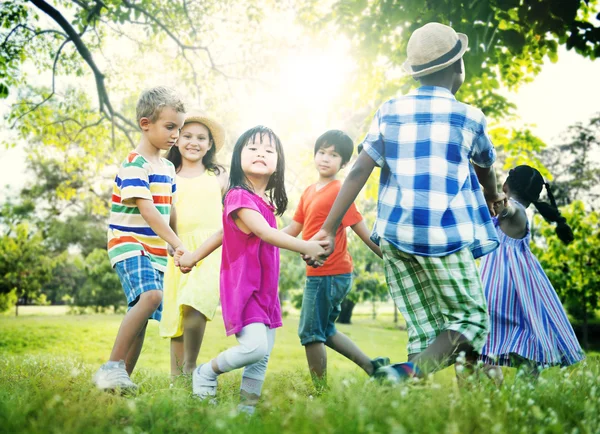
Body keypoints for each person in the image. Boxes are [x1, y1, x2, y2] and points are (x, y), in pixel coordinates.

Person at [308, 22, 504, 382]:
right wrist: (493, 196)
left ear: (417, 73)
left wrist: (328, 228)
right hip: (444, 237)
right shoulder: (469, 117)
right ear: (457, 68)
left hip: (397, 237)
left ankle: (411, 404)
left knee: (424, 327)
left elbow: (357, 172)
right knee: (471, 320)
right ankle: (405, 375)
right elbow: (485, 165)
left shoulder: (390, 110)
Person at [176, 126, 327, 414]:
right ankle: (205, 373)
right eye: (253, 148)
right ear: (237, 158)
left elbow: (230, 233)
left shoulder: (263, 203)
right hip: (244, 287)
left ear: (277, 163)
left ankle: (247, 411)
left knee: (262, 354)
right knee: (254, 348)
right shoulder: (237, 195)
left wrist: (194, 255)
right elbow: (265, 233)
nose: (261, 153)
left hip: (266, 290)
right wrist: (305, 247)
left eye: (269, 150)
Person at [93, 86, 188, 391]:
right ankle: (111, 367)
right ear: (146, 124)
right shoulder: (136, 165)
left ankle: (120, 380)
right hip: (129, 242)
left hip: (157, 249)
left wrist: (177, 244)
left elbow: (168, 209)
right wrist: (176, 242)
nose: (176, 135)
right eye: (170, 127)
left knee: (143, 311)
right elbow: (148, 211)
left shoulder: (169, 167)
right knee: (151, 297)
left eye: (180, 128)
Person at [284, 130, 388, 387]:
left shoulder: (341, 191)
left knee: (310, 333)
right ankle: (372, 367)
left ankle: (319, 394)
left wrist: (391, 259)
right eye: (322, 152)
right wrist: (260, 237)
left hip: (330, 273)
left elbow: (363, 232)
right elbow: (292, 231)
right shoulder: (309, 192)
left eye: (334, 155)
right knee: (326, 331)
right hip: (319, 274)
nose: (325, 158)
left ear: (343, 163)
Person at [477, 165, 584, 383]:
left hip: (498, 286)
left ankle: (503, 394)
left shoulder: (515, 211)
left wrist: (499, 200)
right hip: (518, 289)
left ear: (505, 186)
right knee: (521, 348)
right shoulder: (518, 213)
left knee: (488, 346)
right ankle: (521, 394)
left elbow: (508, 209)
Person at [160, 111, 228, 379]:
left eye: (201, 138)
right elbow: (163, 211)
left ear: (210, 144)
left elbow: (232, 211)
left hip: (211, 248)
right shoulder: (167, 173)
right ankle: (178, 378)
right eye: (187, 136)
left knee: (195, 302)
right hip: (176, 247)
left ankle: (190, 365)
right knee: (179, 312)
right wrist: (169, 239)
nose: (193, 142)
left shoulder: (219, 174)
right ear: (176, 140)